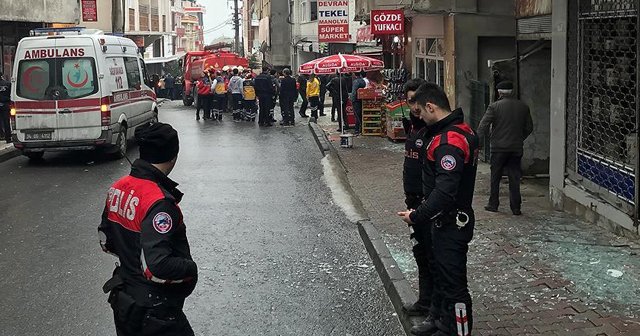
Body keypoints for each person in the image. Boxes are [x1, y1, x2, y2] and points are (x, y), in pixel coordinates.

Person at [99, 122, 198, 336]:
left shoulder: (118, 187)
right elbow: (157, 266)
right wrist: (190, 269)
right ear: (174, 155)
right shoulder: (159, 202)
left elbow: (106, 240)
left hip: (125, 299)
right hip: (155, 309)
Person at [398, 83, 478, 336]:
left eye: (420, 111)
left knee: (453, 284)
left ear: (431, 106)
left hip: (451, 221)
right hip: (443, 220)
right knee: (441, 275)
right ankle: (442, 321)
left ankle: (458, 330)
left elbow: (445, 191)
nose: (418, 116)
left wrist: (416, 216)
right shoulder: (452, 132)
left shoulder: (450, 140)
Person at [400, 79, 434, 321]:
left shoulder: (432, 128)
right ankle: (425, 302)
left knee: (432, 256)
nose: (414, 106)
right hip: (412, 199)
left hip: (427, 201)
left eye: (417, 101)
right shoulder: (413, 125)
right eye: (410, 100)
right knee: (420, 253)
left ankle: (435, 310)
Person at [477, 81, 533, 216]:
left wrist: (478, 144)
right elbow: (529, 127)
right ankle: (516, 207)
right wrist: (520, 138)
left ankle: (493, 204)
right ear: (512, 92)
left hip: (498, 148)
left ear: (499, 92)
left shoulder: (494, 107)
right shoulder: (523, 107)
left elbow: (483, 125)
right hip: (516, 148)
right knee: (514, 177)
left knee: (495, 177)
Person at [0, 72, 11, 143]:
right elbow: (10, 94)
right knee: (6, 121)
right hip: (5, 104)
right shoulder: (7, 84)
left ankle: (1, 135)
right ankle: (8, 138)